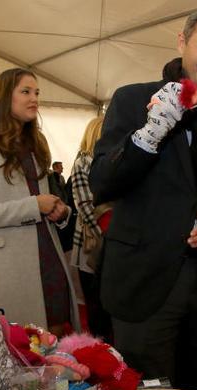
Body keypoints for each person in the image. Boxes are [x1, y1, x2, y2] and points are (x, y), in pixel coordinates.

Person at [89, 8, 197, 390]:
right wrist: (149, 134)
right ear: (182, 42)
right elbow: (102, 183)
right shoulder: (132, 101)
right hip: (143, 284)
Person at [0, 68, 79, 334]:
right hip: (8, 270)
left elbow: (42, 203)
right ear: (4, 98)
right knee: (20, 354)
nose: (34, 98)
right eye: (25, 92)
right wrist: (35, 205)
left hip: (47, 260)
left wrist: (59, 211)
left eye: (37, 92)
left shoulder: (35, 144)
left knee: (54, 343)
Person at [70, 115, 112, 340]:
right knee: (96, 306)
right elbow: (86, 207)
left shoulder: (110, 162)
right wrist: (111, 238)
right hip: (91, 246)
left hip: (107, 243)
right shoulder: (83, 162)